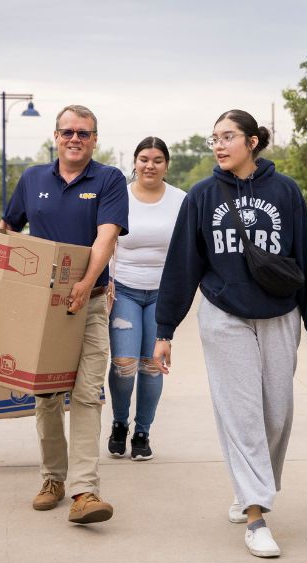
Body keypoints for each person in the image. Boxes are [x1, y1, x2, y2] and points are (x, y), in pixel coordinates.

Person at [153, 109, 307, 557]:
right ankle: (256, 514)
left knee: (277, 414)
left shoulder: (285, 191)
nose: (219, 145)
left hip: (280, 314)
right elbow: (181, 266)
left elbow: (304, 260)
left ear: (252, 141)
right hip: (223, 315)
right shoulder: (202, 196)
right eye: (214, 138)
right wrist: (165, 328)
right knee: (243, 414)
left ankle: (248, 486)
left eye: (228, 136)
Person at [0, 105, 128, 524]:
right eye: (68, 132)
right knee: (47, 396)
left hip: (89, 304)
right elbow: (8, 231)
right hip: (42, 309)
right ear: (55, 136)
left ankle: (85, 491)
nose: (76, 139)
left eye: (84, 133)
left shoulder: (108, 179)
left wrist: (87, 283)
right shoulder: (32, 179)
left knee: (88, 393)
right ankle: (52, 478)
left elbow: (105, 237)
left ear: (95, 139)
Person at [106, 137, 186, 461]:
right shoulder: (119, 196)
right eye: (143, 159)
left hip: (162, 295)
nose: (149, 165)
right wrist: (106, 281)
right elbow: (106, 239)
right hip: (124, 288)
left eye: (157, 160)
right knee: (125, 365)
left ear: (166, 165)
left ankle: (142, 432)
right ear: (135, 162)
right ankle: (119, 422)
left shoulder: (181, 200)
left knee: (152, 365)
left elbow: (187, 250)